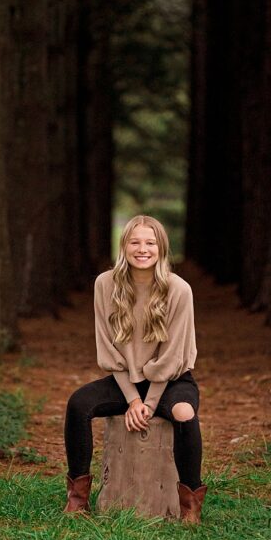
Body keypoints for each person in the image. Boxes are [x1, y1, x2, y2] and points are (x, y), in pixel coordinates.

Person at [63, 213, 207, 523]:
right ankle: (77, 497)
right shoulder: (106, 284)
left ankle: (190, 504)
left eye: (150, 243)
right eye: (135, 242)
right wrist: (132, 398)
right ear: (124, 246)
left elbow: (171, 357)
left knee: (184, 413)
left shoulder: (178, 289)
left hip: (172, 380)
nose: (143, 249)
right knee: (78, 404)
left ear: (161, 249)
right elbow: (109, 348)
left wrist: (149, 404)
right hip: (125, 378)